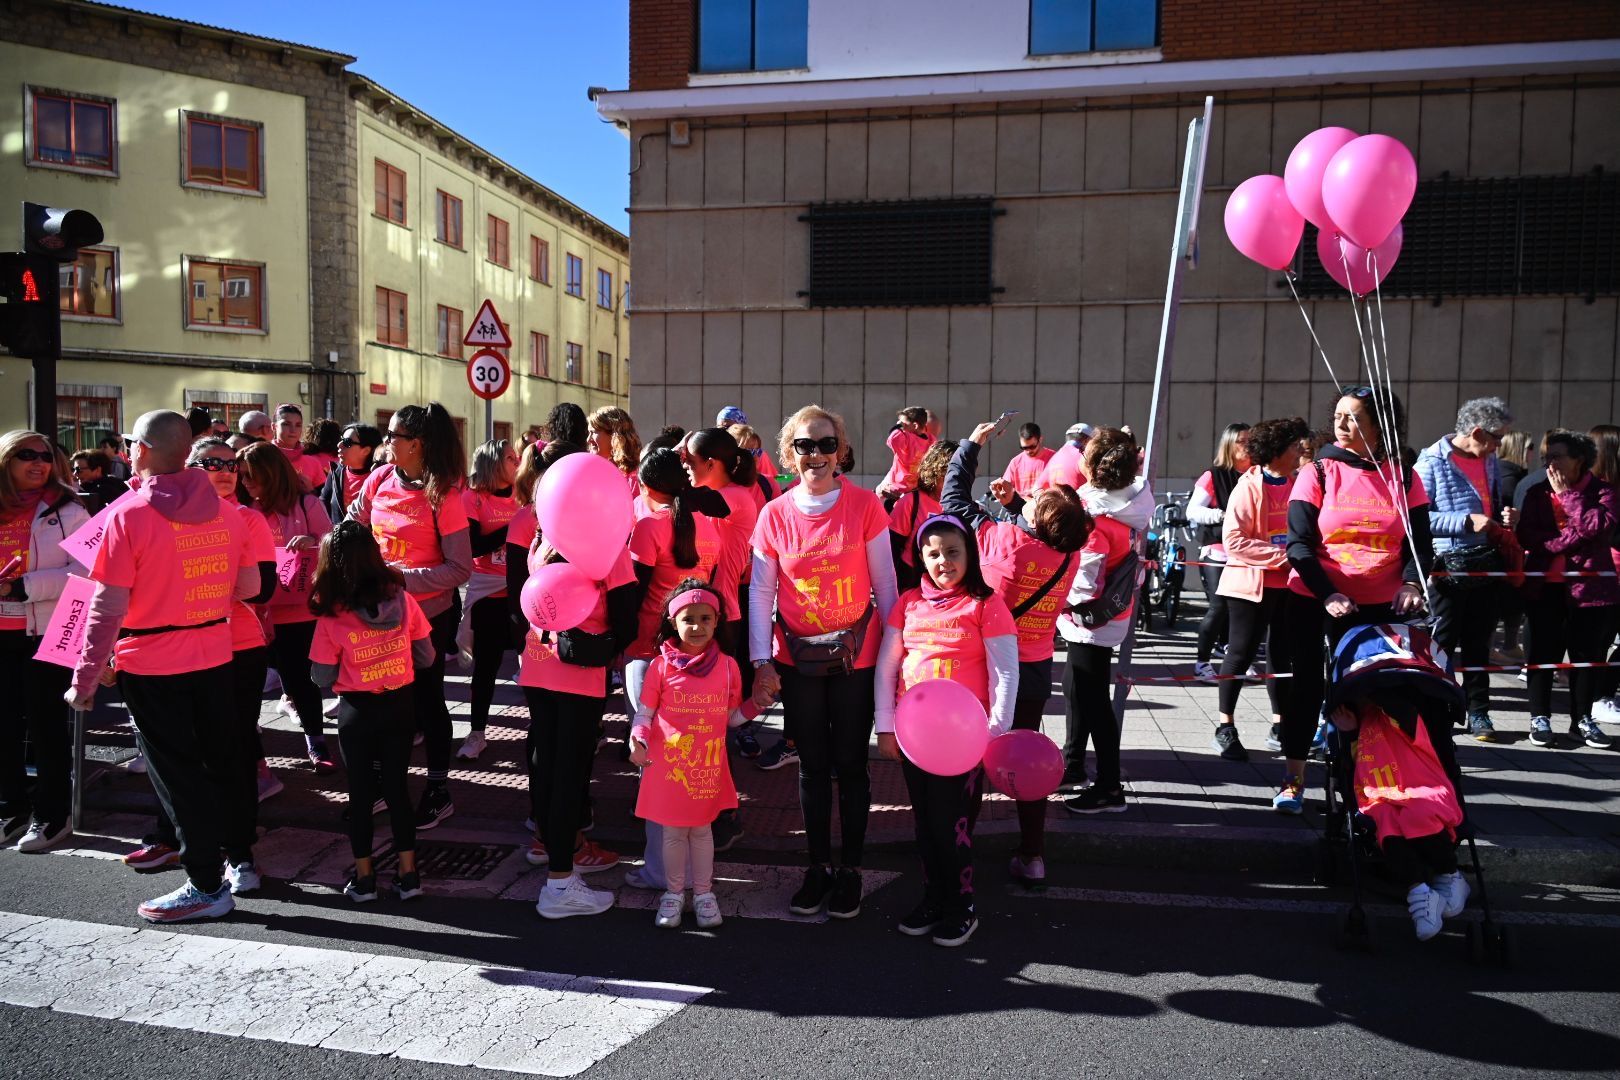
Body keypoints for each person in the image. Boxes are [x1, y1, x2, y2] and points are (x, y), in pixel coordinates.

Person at [66, 410, 259, 923]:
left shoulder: (128, 516)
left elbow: (105, 606)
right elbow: (249, 587)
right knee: (216, 765)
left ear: (143, 450)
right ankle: (226, 864)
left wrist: (85, 677)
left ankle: (206, 885)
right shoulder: (227, 512)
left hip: (151, 662)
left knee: (177, 777)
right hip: (215, 653)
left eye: (132, 444)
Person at [750, 405, 898, 918]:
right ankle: (817, 868)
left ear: (841, 451)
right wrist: (760, 661)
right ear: (789, 453)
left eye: (826, 444)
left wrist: (896, 655)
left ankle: (850, 870)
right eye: (805, 445)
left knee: (851, 765)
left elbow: (886, 585)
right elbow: (760, 593)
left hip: (857, 659)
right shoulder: (773, 515)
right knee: (812, 768)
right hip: (798, 661)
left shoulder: (865, 506)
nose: (816, 455)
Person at [943, 421, 1090, 888]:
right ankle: (1032, 855)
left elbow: (953, 499)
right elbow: (1039, 533)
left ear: (1037, 519)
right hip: (1034, 667)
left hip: (985, 667)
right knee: (1025, 759)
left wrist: (971, 445)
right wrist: (1014, 505)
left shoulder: (1004, 542)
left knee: (969, 760)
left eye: (1037, 497)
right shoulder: (1068, 555)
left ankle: (959, 850)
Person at [125, 438, 280, 870]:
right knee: (174, 753)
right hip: (169, 648)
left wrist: (192, 579)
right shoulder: (147, 511)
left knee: (232, 752)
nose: (225, 471)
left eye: (232, 465)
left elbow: (263, 589)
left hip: (237, 649)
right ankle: (171, 836)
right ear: (186, 467)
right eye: (212, 463)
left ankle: (238, 851)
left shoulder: (245, 517)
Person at [1281, 387, 1431, 814]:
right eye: (1339, 416)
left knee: (1369, 694)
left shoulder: (1404, 476)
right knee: (1306, 688)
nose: (1342, 425)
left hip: (1379, 604)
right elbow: (1298, 544)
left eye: (1355, 418)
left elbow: (1420, 544)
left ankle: (1362, 781)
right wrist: (1327, 593)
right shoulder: (1318, 471)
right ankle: (1293, 781)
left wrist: (1411, 584)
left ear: (1379, 426)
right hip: (1315, 597)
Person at [875, 514, 1018, 948]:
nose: (944, 562)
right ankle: (934, 899)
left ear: (969, 554)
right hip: (915, 740)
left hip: (964, 743)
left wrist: (993, 733)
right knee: (925, 825)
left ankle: (961, 906)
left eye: (953, 552)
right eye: (933, 554)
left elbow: (1005, 673)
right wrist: (885, 727)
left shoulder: (986, 604)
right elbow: (887, 667)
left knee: (950, 826)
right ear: (921, 558)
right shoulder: (907, 603)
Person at [510, 441, 637, 919]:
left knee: (545, 765)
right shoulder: (608, 547)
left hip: (537, 661)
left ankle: (553, 855)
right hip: (580, 671)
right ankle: (560, 882)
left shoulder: (542, 540)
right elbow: (626, 620)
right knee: (569, 775)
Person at [349, 402, 473, 829]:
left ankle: (438, 790)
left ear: (416, 444)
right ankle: (382, 787)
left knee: (425, 701)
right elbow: (353, 524)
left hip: (427, 618)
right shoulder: (380, 477)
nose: (386, 442)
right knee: (380, 701)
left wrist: (400, 578)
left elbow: (459, 569)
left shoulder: (444, 495)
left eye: (393, 436)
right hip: (377, 614)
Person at [308, 521, 435, 903]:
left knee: (361, 795)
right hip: (399, 705)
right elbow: (427, 657)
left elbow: (320, 676)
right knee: (398, 789)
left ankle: (364, 879)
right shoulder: (404, 601)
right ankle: (409, 875)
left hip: (357, 711)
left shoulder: (332, 615)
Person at [629, 580, 759, 930]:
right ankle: (673, 894)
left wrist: (758, 704)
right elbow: (645, 714)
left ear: (717, 622)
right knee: (672, 834)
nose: (697, 627)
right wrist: (637, 740)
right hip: (670, 768)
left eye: (705, 618)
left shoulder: (729, 667)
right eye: (689, 619)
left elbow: (732, 719)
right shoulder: (660, 666)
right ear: (673, 622)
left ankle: (703, 894)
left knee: (702, 832)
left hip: (707, 767)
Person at [624, 449, 726, 889]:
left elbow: (633, 592)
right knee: (690, 758)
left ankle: (660, 871)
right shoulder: (710, 527)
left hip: (648, 651)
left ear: (645, 487)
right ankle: (692, 869)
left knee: (654, 760)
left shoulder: (648, 527)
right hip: (697, 654)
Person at [1055, 429, 1154, 813]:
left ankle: (1110, 787)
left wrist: (1057, 599)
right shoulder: (1127, 504)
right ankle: (1073, 765)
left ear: (1094, 466)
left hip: (1089, 619)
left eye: (1086, 452)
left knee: (1093, 700)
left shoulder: (1095, 519)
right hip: (1110, 613)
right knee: (1075, 688)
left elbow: (1084, 583)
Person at [0, 432, 90, 852]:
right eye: (27, 455)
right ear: (6, 459)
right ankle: (11, 807)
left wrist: (25, 587)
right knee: (3, 726)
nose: (38, 463)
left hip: (48, 632)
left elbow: (89, 570)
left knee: (46, 727)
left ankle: (53, 815)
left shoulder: (68, 510)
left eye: (45, 456)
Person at [1415, 397, 1516, 743]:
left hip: (1485, 562)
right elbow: (1416, 519)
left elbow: (1491, 507)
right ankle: (1435, 707)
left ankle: (1479, 711)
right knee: (1441, 642)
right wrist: (1464, 521)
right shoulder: (1431, 462)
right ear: (1476, 432)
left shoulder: (1488, 461)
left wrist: (1505, 517)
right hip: (1448, 567)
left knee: (1479, 641)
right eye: (1497, 437)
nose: (1499, 445)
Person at [1211, 417, 1310, 761]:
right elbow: (1234, 541)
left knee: (1282, 656)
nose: (1300, 451)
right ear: (1277, 451)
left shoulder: (1300, 483)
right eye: (1294, 446)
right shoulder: (1247, 486)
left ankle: (1280, 725)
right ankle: (1225, 727)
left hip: (1290, 586)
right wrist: (1283, 557)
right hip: (1249, 586)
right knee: (1240, 653)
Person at [1515, 430, 1617, 750]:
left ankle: (1582, 720)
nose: (1550, 464)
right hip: (1544, 586)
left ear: (1579, 460)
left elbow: (1595, 527)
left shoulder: (1604, 492)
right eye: (1547, 457)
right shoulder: (1537, 492)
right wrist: (1568, 541)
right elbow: (1527, 536)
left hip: (1589, 589)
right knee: (1542, 653)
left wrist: (1568, 497)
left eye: (1557, 457)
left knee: (1586, 656)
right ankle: (1539, 717)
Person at [239, 442, 336, 772]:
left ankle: (316, 741)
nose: (246, 482)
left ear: (271, 473)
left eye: (252, 475)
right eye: (243, 476)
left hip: (297, 610)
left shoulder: (306, 503)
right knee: (250, 682)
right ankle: (251, 750)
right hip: (252, 612)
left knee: (300, 680)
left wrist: (313, 541)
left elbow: (332, 543)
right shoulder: (243, 508)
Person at [455, 439, 521, 760]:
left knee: (534, 663)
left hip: (522, 591)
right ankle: (477, 733)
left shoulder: (524, 494)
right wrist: (513, 529)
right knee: (486, 668)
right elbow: (473, 547)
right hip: (488, 592)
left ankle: (544, 727)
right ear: (494, 463)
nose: (517, 461)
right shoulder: (473, 498)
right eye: (510, 458)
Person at [1187, 423, 1251, 682]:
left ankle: (1236, 660)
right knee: (1219, 606)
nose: (1247, 446)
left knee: (1243, 609)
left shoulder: (1256, 474)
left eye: (1250, 441)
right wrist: (1222, 515)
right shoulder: (1214, 475)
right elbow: (1193, 511)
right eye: (1242, 441)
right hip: (1218, 549)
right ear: (1229, 445)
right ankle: (1201, 663)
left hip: (1247, 551)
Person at [887, 440, 953, 593]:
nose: (954, 479)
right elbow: (892, 549)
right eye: (948, 473)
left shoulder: (962, 506)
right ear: (935, 471)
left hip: (948, 582)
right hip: (912, 582)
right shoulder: (911, 501)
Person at [1589, 425, 1620, 724]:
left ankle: (1603, 694)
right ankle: (1599, 697)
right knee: (1599, 641)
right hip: (1605, 578)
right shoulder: (1597, 490)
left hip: (1609, 576)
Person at [1494, 430, 1533, 661]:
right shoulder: (1512, 478)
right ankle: (1506, 646)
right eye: (1530, 447)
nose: (1533, 453)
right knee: (1509, 598)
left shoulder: (1502, 473)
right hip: (1508, 546)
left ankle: (1504, 646)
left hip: (1502, 544)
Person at [320, 423, 382, 525]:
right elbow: (322, 505)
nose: (339, 445)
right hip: (337, 534)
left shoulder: (381, 478)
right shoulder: (336, 472)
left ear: (366, 450)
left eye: (347, 442)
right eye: (341, 439)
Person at [877, 406, 933, 508]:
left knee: (878, 497)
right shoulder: (930, 440)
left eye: (903, 424)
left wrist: (897, 427)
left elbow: (893, 439)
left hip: (896, 484)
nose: (901, 425)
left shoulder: (907, 438)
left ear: (915, 425)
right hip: (914, 488)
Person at [587, 406, 642, 498]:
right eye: (589, 433)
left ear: (614, 435)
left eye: (594, 432)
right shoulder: (593, 472)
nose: (588, 439)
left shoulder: (635, 479)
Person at [272, 403, 327, 493]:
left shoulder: (313, 462)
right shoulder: (262, 457)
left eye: (298, 425)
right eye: (286, 424)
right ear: (274, 427)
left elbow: (325, 498)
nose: (293, 430)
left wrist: (311, 491)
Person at [1033, 423, 1094, 493]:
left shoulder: (1054, 459)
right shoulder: (1084, 457)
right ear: (1087, 441)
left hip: (1058, 499)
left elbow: (1036, 488)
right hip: (1081, 499)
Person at [1002, 422, 1055, 500]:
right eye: (1024, 448)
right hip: (1022, 505)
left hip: (1047, 503)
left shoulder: (1054, 458)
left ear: (1040, 440)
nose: (1029, 451)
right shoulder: (1015, 462)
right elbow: (1006, 487)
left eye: (1032, 446)